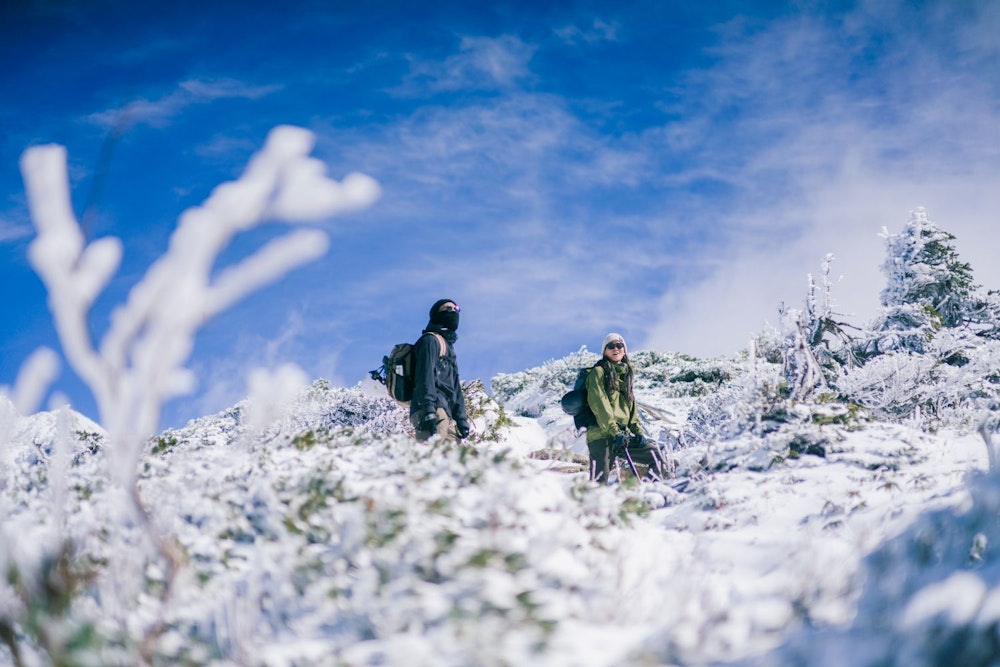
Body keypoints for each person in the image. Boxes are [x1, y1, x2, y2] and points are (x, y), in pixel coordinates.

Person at [585, 333, 662, 483]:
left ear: (624, 350)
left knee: (657, 456)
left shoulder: (626, 376)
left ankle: (651, 495)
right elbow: (600, 404)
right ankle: (594, 506)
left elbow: (631, 408)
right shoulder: (598, 372)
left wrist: (638, 432)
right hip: (602, 435)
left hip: (622, 437)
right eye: (611, 346)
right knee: (599, 483)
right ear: (605, 351)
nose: (616, 349)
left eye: (619, 345)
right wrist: (614, 431)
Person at [410, 299, 470, 443]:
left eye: (456, 308)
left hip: (446, 412)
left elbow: (455, 387)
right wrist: (429, 409)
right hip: (432, 407)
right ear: (437, 314)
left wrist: (461, 419)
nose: (454, 311)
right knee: (429, 456)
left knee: (453, 462)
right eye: (448, 309)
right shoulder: (430, 341)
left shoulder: (448, 348)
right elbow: (425, 375)